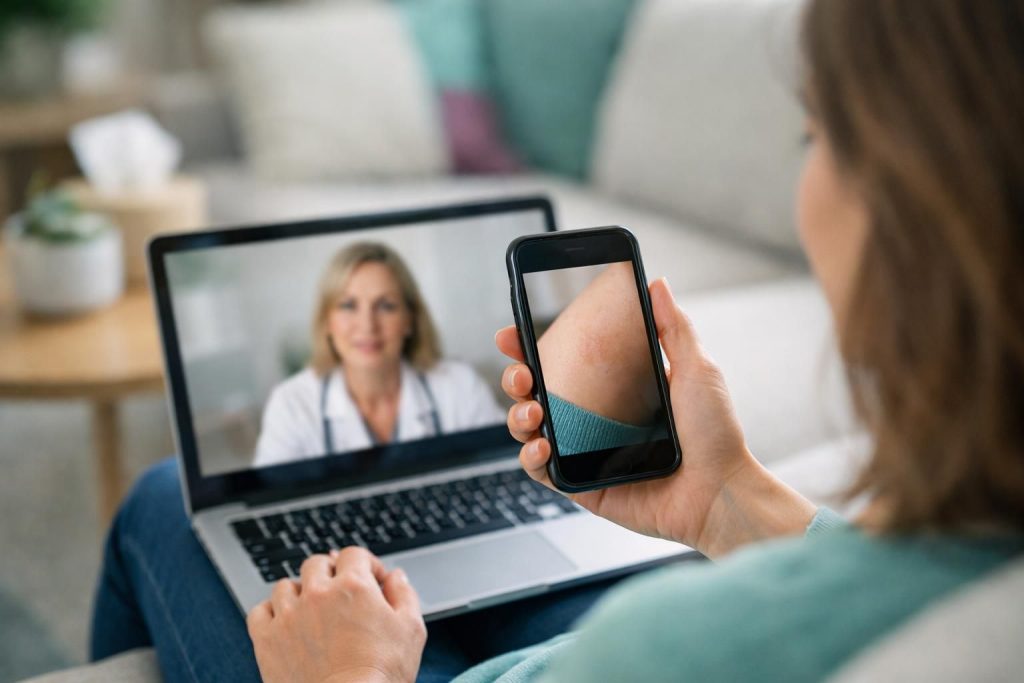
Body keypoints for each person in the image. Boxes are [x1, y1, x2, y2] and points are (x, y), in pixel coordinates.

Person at [90, 1, 1024, 681]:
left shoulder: (667, 644)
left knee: (162, 497)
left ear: (920, 210)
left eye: (814, 134)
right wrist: (726, 500)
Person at [254, 242, 504, 467]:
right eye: (348, 305)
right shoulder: (291, 405)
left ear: (410, 320)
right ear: (327, 321)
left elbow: (508, 464)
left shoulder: (459, 385)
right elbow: (269, 495)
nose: (367, 325)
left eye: (386, 306)